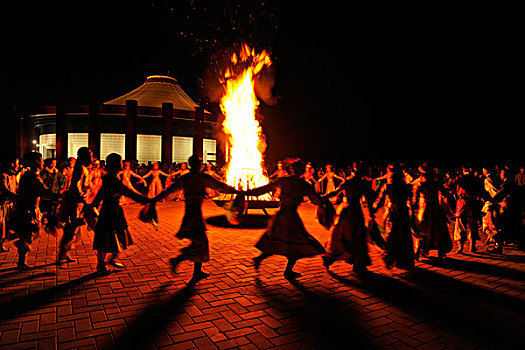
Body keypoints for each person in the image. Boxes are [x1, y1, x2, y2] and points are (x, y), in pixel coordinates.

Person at [151, 155, 240, 282]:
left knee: (199, 243)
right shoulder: (202, 178)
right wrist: (236, 191)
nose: (202, 165)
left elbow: (169, 190)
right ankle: (178, 260)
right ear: (197, 165)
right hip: (194, 215)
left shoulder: (186, 178)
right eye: (200, 163)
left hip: (191, 213)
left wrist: (154, 199)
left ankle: (195, 272)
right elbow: (219, 186)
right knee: (201, 243)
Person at [246, 160, 325, 279]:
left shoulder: (284, 181)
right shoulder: (302, 184)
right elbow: (315, 200)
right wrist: (324, 202)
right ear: (302, 171)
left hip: (281, 215)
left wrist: (248, 192)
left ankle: (261, 259)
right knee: (295, 244)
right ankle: (285, 270)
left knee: (278, 241)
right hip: (291, 217)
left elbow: (264, 189)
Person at [90, 153, 151, 274]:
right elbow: (130, 193)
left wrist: (94, 206)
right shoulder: (113, 181)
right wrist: (148, 200)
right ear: (117, 165)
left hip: (113, 211)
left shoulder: (110, 179)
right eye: (121, 162)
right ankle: (101, 265)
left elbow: (98, 197)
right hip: (110, 212)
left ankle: (112, 259)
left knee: (119, 236)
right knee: (108, 237)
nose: (122, 164)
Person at [10, 153, 60, 269]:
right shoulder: (33, 178)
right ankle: (21, 260)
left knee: (29, 234)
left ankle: (21, 253)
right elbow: (44, 192)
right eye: (41, 160)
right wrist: (58, 196)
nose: (43, 163)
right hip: (28, 210)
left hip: (30, 209)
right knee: (29, 234)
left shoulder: (29, 175)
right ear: (37, 162)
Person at [322, 164, 373, 273]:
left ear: (354, 169)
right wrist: (371, 213)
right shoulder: (363, 183)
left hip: (346, 209)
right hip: (356, 210)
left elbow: (336, 192)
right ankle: (357, 262)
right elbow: (368, 199)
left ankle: (332, 257)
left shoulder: (349, 181)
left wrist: (324, 197)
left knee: (340, 233)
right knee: (356, 235)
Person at [373, 164, 414, 270]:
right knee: (403, 235)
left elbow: (379, 200)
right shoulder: (406, 186)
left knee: (392, 235)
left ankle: (390, 258)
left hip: (394, 213)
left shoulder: (388, 186)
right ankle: (403, 260)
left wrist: (373, 209)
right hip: (403, 212)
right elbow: (411, 200)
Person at [58, 147, 93, 265]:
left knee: (73, 228)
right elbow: (75, 185)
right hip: (76, 203)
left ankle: (65, 252)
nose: (91, 159)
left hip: (78, 201)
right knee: (71, 227)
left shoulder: (82, 167)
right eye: (90, 156)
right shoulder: (80, 168)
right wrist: (82, 198)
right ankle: (62, 254)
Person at [412, 163, 452, 260]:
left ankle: (419, 251)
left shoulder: (418, 182)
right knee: (439, 229)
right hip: (435, 208)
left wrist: (412, 207)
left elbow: (414, 197)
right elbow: (443, 192)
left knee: (422, 231)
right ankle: (441, 251)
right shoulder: (436, 180)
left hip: (424, 209)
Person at [0, 156, 19, 252]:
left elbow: (15, 187)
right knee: (1, 225)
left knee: (7, 225)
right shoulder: (3, 175)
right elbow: (4, 190)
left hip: (9, 204)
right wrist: (16, 196)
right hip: (2, 204)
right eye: (16, 164)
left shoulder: (13, 176)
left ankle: (2, 242)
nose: (17, 166)